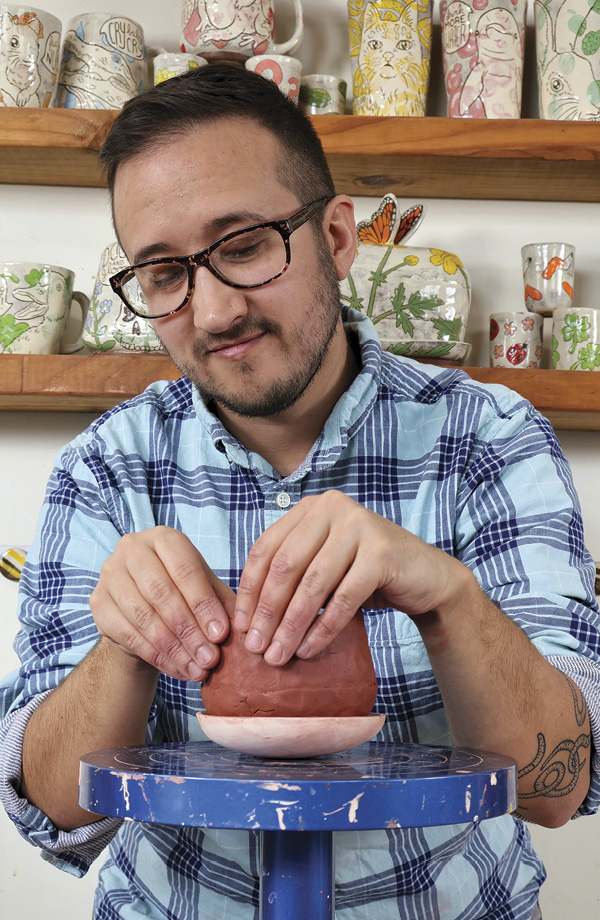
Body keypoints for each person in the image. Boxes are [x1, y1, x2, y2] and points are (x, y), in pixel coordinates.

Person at [0, 63, 598, 920]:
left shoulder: (489, 438)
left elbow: (559, 783)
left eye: (243, 246)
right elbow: (54, 808)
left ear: (339, 238)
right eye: (165, 274)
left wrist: (447, 599)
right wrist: (125, 647)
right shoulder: (107, 467)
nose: (210, 313)